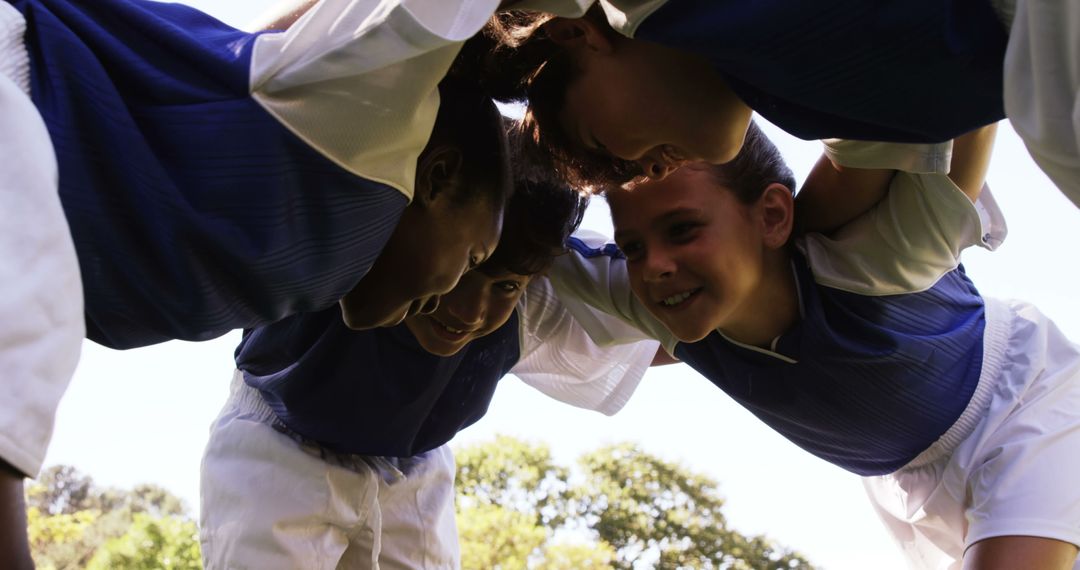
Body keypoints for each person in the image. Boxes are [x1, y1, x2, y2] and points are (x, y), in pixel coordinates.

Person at [1, 0, 512, 564]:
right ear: (438, 178)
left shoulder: (326, 269)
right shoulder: (356, 136)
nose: (458, 290)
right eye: (473, 256)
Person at [547, 122, 1080, 568]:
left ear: (773, 216)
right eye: (633, 246)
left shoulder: (877, 255)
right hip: (903, 474)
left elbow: (948, 106)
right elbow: (519, 231)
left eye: (684, 229)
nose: (656, 264)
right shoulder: (644, 296)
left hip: (1024, 406)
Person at [198, 165, 662, 568]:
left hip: (413, 467)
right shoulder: (349, 241)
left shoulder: (532, 299)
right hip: (280, 440)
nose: (470, 311)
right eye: (464, 271)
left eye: (504, 286)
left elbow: (666, 331)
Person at [477, 0, 1080, 212]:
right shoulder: (798, 105)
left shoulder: (655, 6)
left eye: (606, 146)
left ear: (578, 35)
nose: (646, 170)